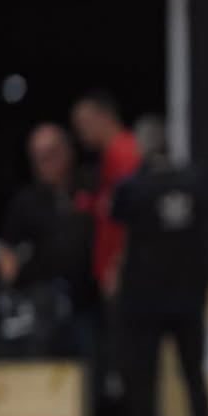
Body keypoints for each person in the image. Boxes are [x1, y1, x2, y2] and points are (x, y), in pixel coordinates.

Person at [110, 115, 208, 416]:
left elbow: (116, 211)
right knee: (194, 375)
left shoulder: (134, 187)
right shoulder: (195, 182)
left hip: (147, 298)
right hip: (188, 296)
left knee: (145, 379)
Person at [0, 123, 94, 355]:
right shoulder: (25, 201)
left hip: (88, 299)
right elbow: (7, 251)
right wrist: (8, 291)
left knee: (90, 360)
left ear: (67, 152)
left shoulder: (89, 187)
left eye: (49, 155)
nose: (43, 163)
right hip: (41, 301)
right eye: (37, 157)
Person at [70, 90, 141, 301]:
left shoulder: (124, 153)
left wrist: (119, 266)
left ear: (104, 116)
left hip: (124, 275)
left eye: (83, 123)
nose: (80, 132)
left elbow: (133, 215)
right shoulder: (110, 156)